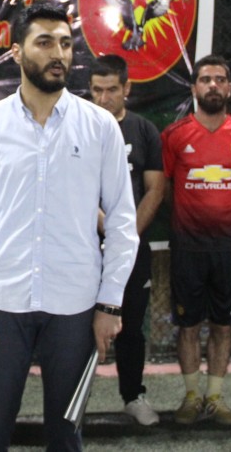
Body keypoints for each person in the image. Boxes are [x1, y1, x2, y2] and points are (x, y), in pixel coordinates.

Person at [0, 3, 138, 451]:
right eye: (45, 42)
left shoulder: (100, 127)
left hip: (75, 306)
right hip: (2, 304)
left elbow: (123, 222)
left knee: (66, 437)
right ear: (16, 52)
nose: (59, 54)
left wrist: (110, 304)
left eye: (66, 44)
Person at [160, 54, 231, 427]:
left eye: (219, 79)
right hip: (188, 246)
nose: (212, 85)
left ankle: (214, 397)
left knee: (222, 325)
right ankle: (190, 396)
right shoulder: (175, 135)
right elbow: (167, 188)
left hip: (228, 247)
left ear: (229, 88)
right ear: (194, 88)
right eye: (205, 79)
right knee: (188, 325)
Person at [87, 55, 164, 426]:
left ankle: (133, 396)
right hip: (85, 248)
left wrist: (125, 236)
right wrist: (106, 227)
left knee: (131, 327)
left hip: (132, 248)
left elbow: (155, 189)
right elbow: (74, 186)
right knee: (78, 329)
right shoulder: (79, 129)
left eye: (111, 90)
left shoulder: (144, 130)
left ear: (127, 88)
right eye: (97, 91)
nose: (103, 98)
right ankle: (73, 403)